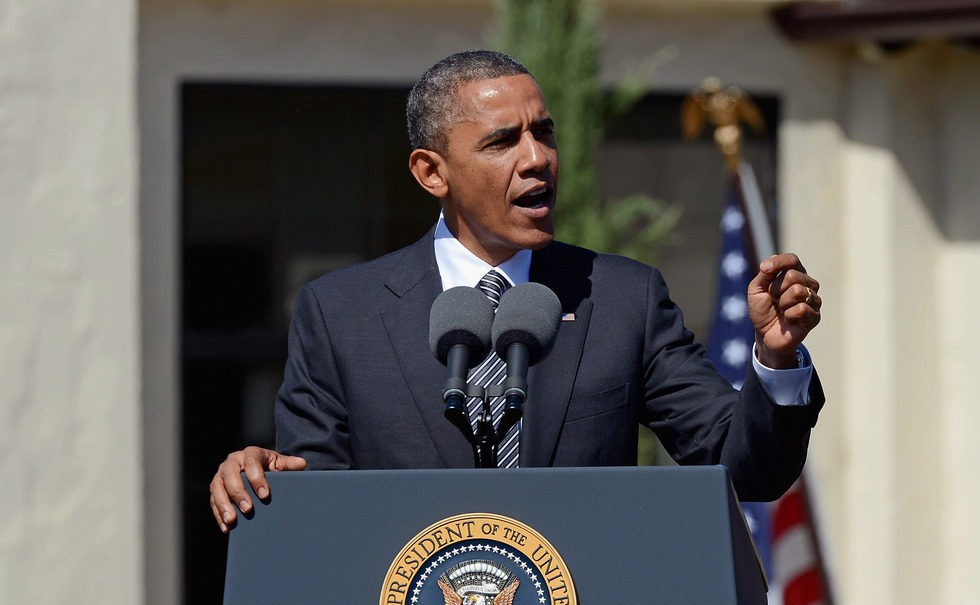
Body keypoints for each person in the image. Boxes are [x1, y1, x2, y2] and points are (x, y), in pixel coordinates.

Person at [209, 50, 824, 533]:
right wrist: (265, 479)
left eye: (545, 133)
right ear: (432, 172)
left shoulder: (620, 298)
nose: (537, 158)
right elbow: (319, 503)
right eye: (503, 141)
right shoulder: (342, 313)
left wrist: (774, 360)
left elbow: (746, 466)